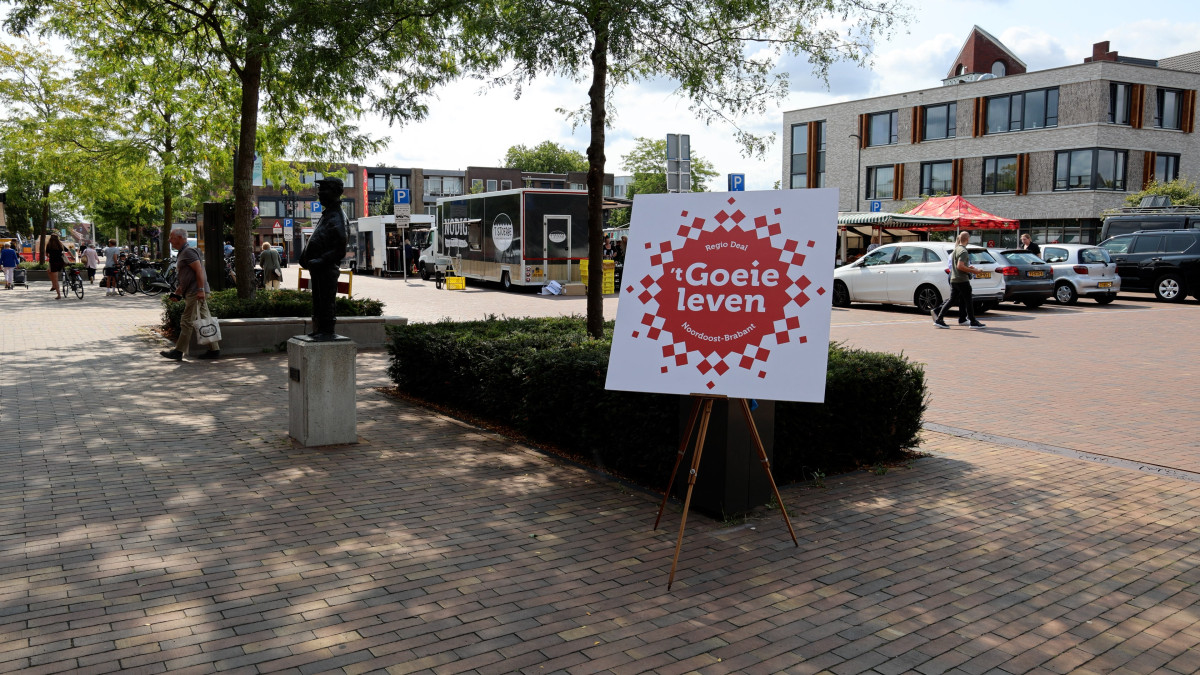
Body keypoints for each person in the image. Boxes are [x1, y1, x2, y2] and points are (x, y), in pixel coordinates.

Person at [299, 177, 348, 340]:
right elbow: (318, 237)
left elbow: (340, 248)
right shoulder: (328, 214)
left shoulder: (337, 216)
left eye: (323, 190)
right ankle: (319, 329)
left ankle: (326, 331)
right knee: (318, 300)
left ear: (335, 192)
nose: (319, 193)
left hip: (326, 269)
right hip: (318, 268)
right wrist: (305, 256)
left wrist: (320, 260)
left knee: (326, 301)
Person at [161, 227, 220, 361]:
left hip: (195, 292)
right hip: (193, 291)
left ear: (180, 238)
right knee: (205, 319)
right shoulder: (183, 253)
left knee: (186, 321)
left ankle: (178, 351)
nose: (169, 240)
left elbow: (199, 270)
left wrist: (200, 290)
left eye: (171, 237)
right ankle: (214, 349)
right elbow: (188, 275)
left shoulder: (188, 252)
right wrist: (179, 291)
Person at [933, 231, 987, 329]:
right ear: (967, 239)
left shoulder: (956, 249)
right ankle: (973, 321)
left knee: (952, 300)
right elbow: (960, 266)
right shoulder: (963, 251)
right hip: (962, 280)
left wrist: (968, 267)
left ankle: (939, 319)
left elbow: (958, 265)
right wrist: (974, 271)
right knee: (968, 300)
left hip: (954, 279)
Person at [46, 234, 66, 299]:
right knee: (48, 271)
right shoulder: (60, 244)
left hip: (53, 263)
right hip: (61, 262)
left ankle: (58, 294)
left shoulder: (49, 245)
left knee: (55, 280)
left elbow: (47, 255)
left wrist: (51, 256)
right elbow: (67, 250)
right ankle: (53, 285)